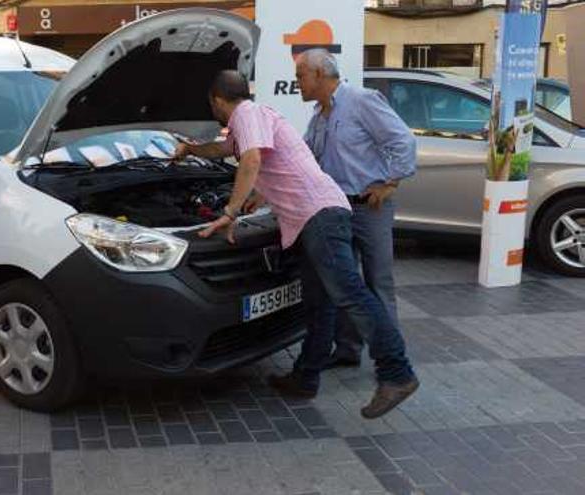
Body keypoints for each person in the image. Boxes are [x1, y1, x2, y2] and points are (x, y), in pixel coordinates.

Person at [174, 71, 418, 419]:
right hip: (315, 217)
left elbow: (252, 159)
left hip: (319, 215)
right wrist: (190, 149)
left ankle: (397, 373)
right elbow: (225, 148)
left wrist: (230, 210)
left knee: (350, 292)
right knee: (319, 303)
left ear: (216, 100)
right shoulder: (250, 122)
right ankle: (305, 377)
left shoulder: (248, 114)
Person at [298, 49, 417, 369]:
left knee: (378, 282)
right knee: (344, 283)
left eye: (301, 76)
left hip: (369, 208)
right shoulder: (318, 116)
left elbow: (403, 141)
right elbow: (306, 159)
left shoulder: (361, 100)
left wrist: (391, 183)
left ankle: (392, 360)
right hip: (335, 211)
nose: (298, 83)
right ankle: (348, 350)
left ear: (320, 74)